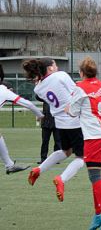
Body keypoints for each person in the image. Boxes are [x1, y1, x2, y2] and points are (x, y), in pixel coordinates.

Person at [22, 58, 85, 202]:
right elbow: (77, 93)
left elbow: (42, 94)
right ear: (50, 68)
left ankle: (38, 170)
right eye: (55, 64)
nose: (57, 67)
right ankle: (61, 179)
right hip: (75, 121)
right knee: (81, 157)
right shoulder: (61, 75)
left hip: (60, 123)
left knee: (65, 151)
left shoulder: (38, 88)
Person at [65, 56, 101, 230]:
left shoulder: (79, 87)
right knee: (95, 176)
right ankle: (98, 216)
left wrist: (67, 108)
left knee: (94, 177)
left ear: (81, 72)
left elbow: (72, 112)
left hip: (94, 136)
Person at [0, 64, 44, 174]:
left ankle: (9, 164)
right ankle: (9, 165)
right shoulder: (3, 90)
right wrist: (40, 115)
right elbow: (29, 104)